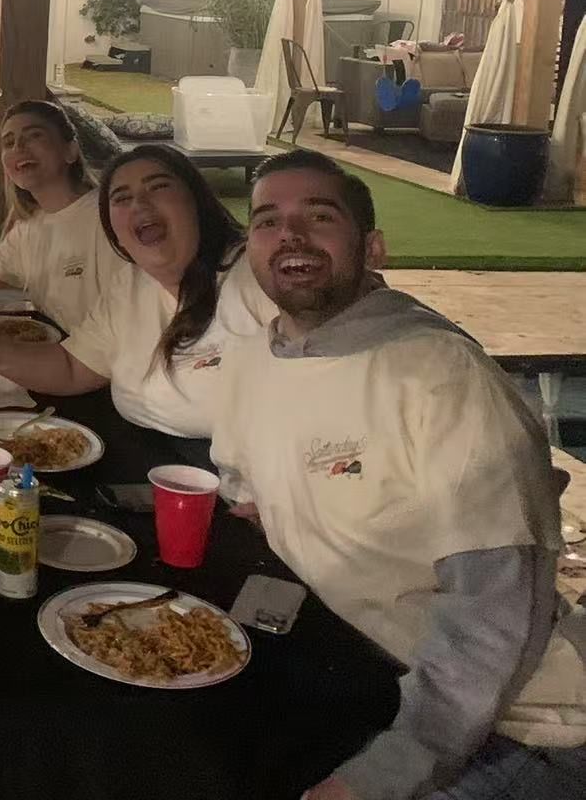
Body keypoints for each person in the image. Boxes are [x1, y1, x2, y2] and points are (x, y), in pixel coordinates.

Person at [213, 150, 586, 800]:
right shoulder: (254, 361)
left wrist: (380, 777)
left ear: (373, 248)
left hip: (524, 724)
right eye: (267, 220)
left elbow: (493, 615)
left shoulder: (440, 375)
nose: (289, 234)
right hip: (366, 672)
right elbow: (251, 492)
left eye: (318, 216)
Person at [0, 144, 275, 440]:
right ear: (115, 234)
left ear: (197, 202)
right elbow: (72, 368)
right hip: (138, 457)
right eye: (122, 198)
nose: (139, 204)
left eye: (158, 187)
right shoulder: (130, 284)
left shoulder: (256, 278)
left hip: (221, 466)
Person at [0, 99, 130, 330]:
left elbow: (128, 320)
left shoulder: (108, 218)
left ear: (70, 151)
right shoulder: (28, 227)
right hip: (56, 349)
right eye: (9, 142)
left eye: (34, 135)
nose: (18, 147)